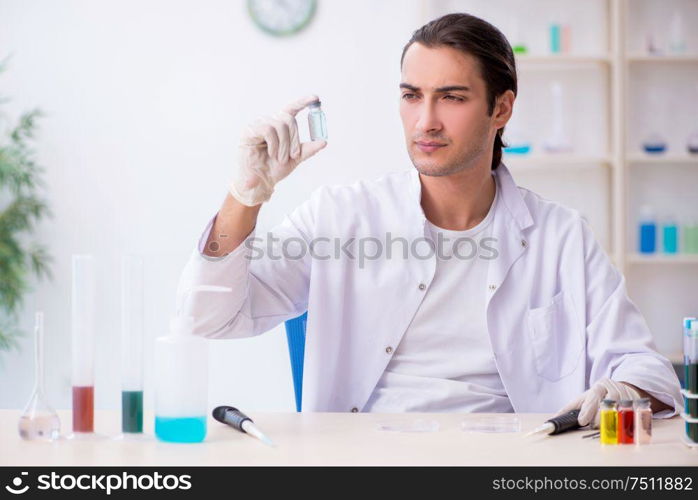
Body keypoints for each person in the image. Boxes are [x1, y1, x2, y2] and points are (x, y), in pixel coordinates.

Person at [177, 13, 682, 425]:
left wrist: (626, 390)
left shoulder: (561, 236)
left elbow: (650, 372)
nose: (426, 121)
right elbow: (208, 319)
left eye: (452, 97)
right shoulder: (342, 217)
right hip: (366, 462)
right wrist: (244, 196)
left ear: (501, 108)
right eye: (412, 95)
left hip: (509, 465)